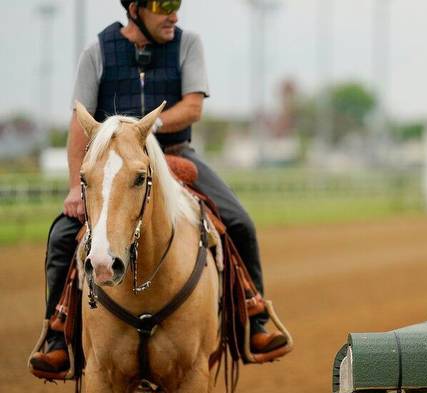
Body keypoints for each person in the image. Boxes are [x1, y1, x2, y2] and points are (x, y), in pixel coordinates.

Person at [30, 0, 285, 373]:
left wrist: (144, 132)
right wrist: (74, 187)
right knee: (62, 237)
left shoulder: (188, 44)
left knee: (240, 221)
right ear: (135, 8)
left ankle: (253, 311)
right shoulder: (96, 52)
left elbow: (193, 108)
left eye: (177, 4)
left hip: (176, 152)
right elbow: (78, 124)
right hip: (113, 162)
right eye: (164, 5)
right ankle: (57, 329)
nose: (174, 15)